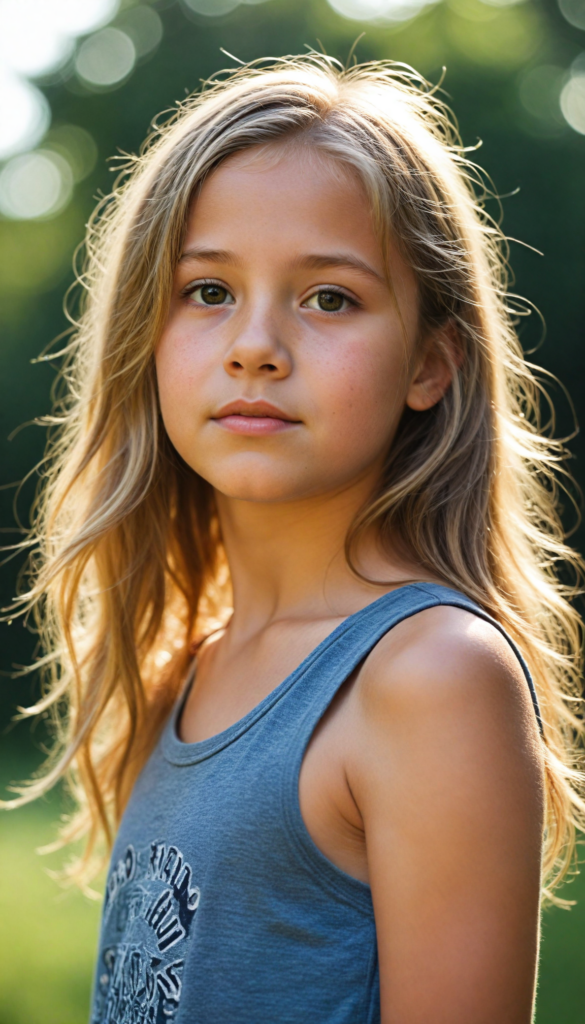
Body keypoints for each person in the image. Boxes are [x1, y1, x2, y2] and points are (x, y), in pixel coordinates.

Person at [4, 55, 585, 1024]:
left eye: (330, 298)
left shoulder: (431, 677)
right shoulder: (189, 662)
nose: (256, 344)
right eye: (207, 291)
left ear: (431, 364)